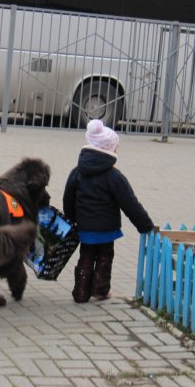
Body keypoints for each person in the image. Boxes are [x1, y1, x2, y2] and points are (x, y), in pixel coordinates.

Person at [62, 119, 155, 303]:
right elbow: (130, 204)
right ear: (109, 150)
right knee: (105, 257)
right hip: (106, 229)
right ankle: (100, 289)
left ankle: (80, 291)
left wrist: (72, 219)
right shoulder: (114, 177)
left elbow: (68, 199)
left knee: (85, 257)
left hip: (85, 228)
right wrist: (145, 226)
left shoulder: (77, 172)